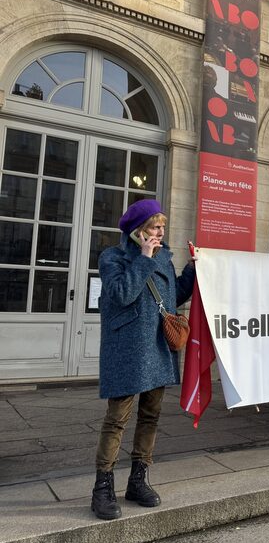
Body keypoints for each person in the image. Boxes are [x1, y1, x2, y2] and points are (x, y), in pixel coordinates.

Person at [91, 199, 196, 520]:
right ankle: (102, 488)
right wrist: (144, 258)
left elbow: (173, 295)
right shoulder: (112, 257)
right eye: (155, 226)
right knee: (117, 419)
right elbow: (123, 293)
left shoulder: (164, 256)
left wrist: (192, 270)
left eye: (163, 226)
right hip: (127, 348)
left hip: (157, 346)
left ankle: (138, 480)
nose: (161, 232)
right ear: (138, 231)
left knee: (150, 416)